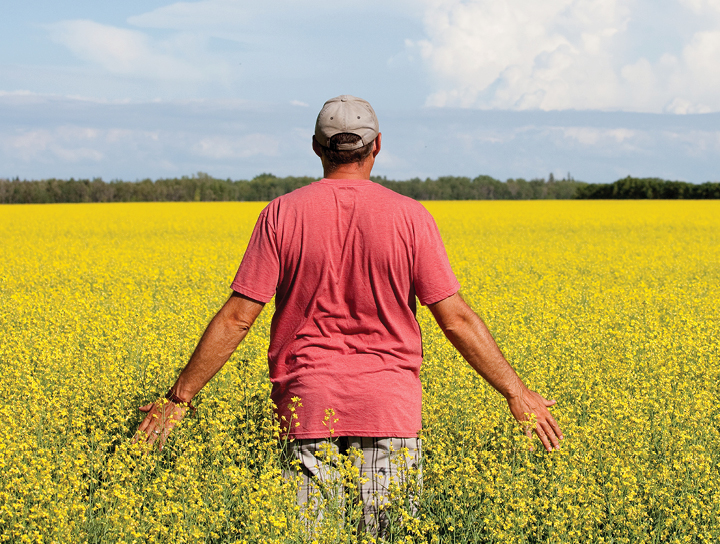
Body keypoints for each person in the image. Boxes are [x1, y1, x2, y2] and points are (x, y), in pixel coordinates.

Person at [134, 95, 563, 534]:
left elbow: (237, 318)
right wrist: (517, 393)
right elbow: (455, 318)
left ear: (317, 148)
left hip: (308, 405)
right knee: (387, 535)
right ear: (377, 146)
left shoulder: (280, 214)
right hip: (388, 406)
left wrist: (177, 399)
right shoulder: (410, 217)